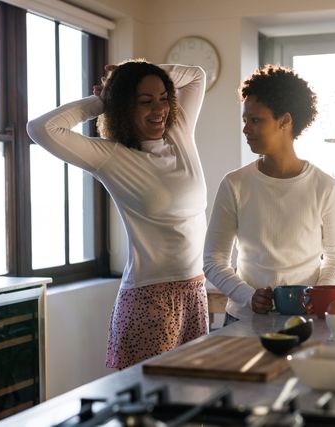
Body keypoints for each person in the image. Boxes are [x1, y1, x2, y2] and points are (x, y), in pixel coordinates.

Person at [27, 59, 209, 369]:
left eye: (164, 97)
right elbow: (41, 129)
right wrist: (106, 98)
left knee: (193, 404)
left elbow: (195, 74)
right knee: (151, 406)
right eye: (144, 101)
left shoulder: (179, 133)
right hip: (149, 301)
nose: (159, 109)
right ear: (125, 106)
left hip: (195, 291)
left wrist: (129, 76)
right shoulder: (110, 156)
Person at [203, 64, 335, 323]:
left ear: (285, 121)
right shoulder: (235, 184)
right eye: (245, 120)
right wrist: (249, 296)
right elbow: (213, 260)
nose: (246, 129)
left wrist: (315, 299)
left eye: (256, 120)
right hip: (244, 319)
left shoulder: (324, 187)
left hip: (307, 320)